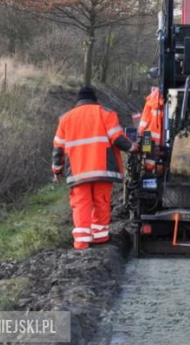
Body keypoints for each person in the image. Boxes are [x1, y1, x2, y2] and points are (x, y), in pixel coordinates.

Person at [52, 86, 135, 250]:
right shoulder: (106, 113)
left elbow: (58, 149)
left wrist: (57, 170)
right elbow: (117, 138)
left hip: (78, 172)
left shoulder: (65, 119)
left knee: (81, 205)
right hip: (102, 170)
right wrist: (132, 148)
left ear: (78, 101)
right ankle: (100, 238)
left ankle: (81, 243)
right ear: (95, 99)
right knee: (101, 202)